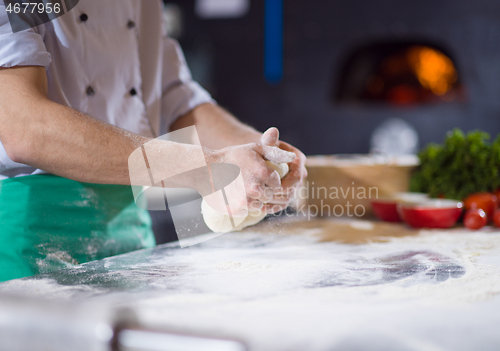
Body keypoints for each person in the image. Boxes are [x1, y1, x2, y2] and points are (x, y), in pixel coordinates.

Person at [0, 0, 306, 282]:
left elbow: (176, 98)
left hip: (129, 229)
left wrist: (259, 152)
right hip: (32, 239)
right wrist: (209, 169)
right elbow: (26, 127)